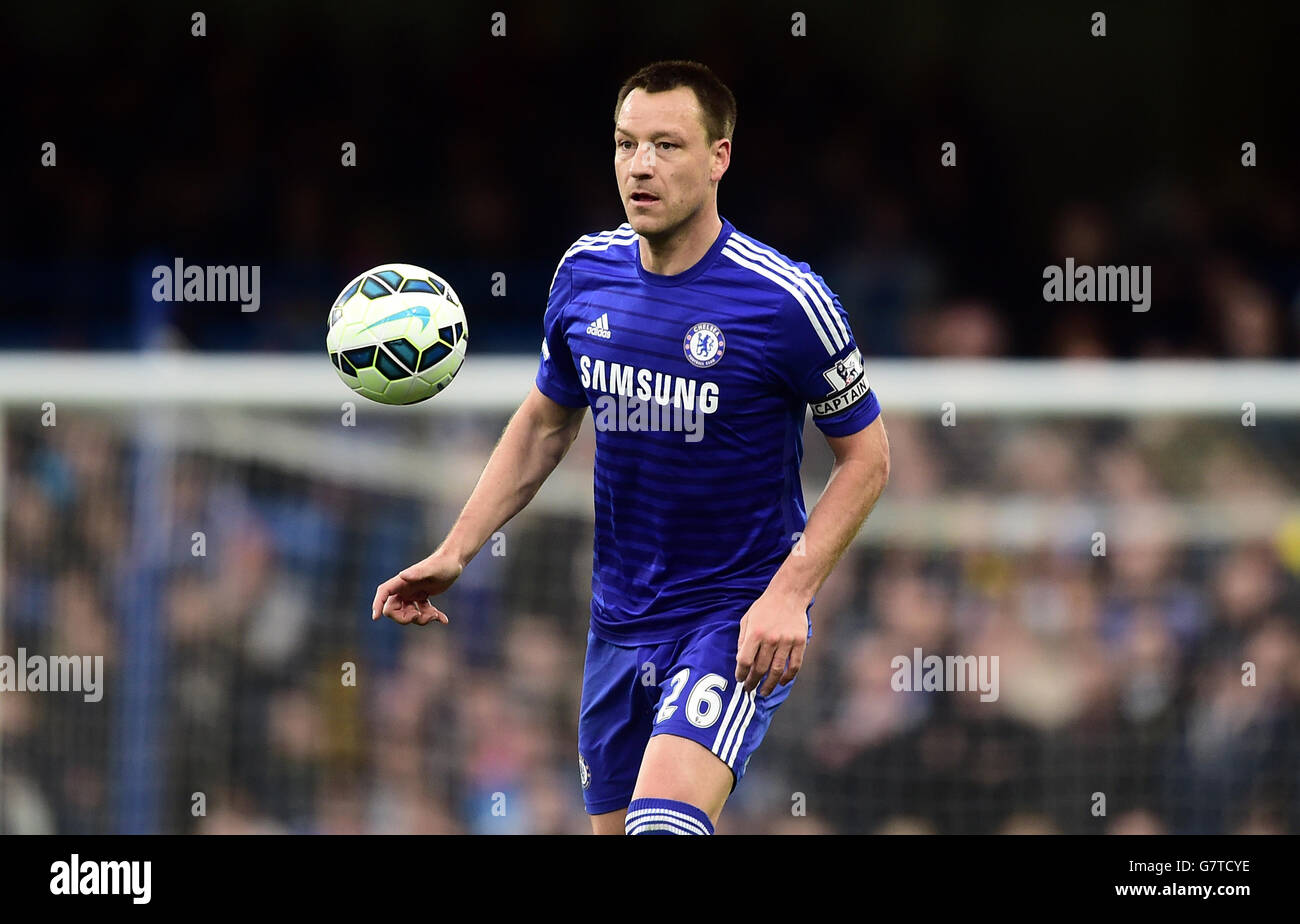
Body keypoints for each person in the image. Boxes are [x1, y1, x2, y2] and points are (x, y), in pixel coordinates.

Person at [371, 60, 890, 835]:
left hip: (732, 615)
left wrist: (790, 593)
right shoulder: (584, 274)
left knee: (663, 826)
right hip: (619, 623)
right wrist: (457, 549)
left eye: (667, 146)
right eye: (625, 144)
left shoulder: (787, 301)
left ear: (719, 158)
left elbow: (868, 459)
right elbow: (548, 422)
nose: (640, 166)